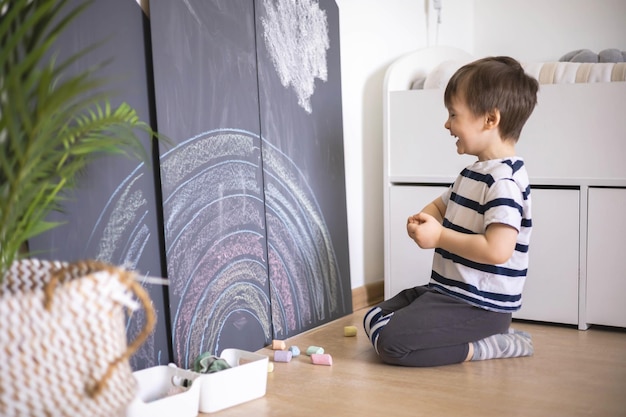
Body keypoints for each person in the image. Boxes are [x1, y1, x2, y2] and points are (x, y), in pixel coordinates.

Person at [364, 56, 539, 367]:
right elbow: (443, 205)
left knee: (391, 344)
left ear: (489, 119)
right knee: (374, 316)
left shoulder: (504, 182)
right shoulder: (473, 173)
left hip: (481, 307)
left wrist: (440, 236)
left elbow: (498, 250)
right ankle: (455, 334)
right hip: (448, 291)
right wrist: (425, 218)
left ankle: (490, 346)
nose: (447, 124)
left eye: (453, 115)